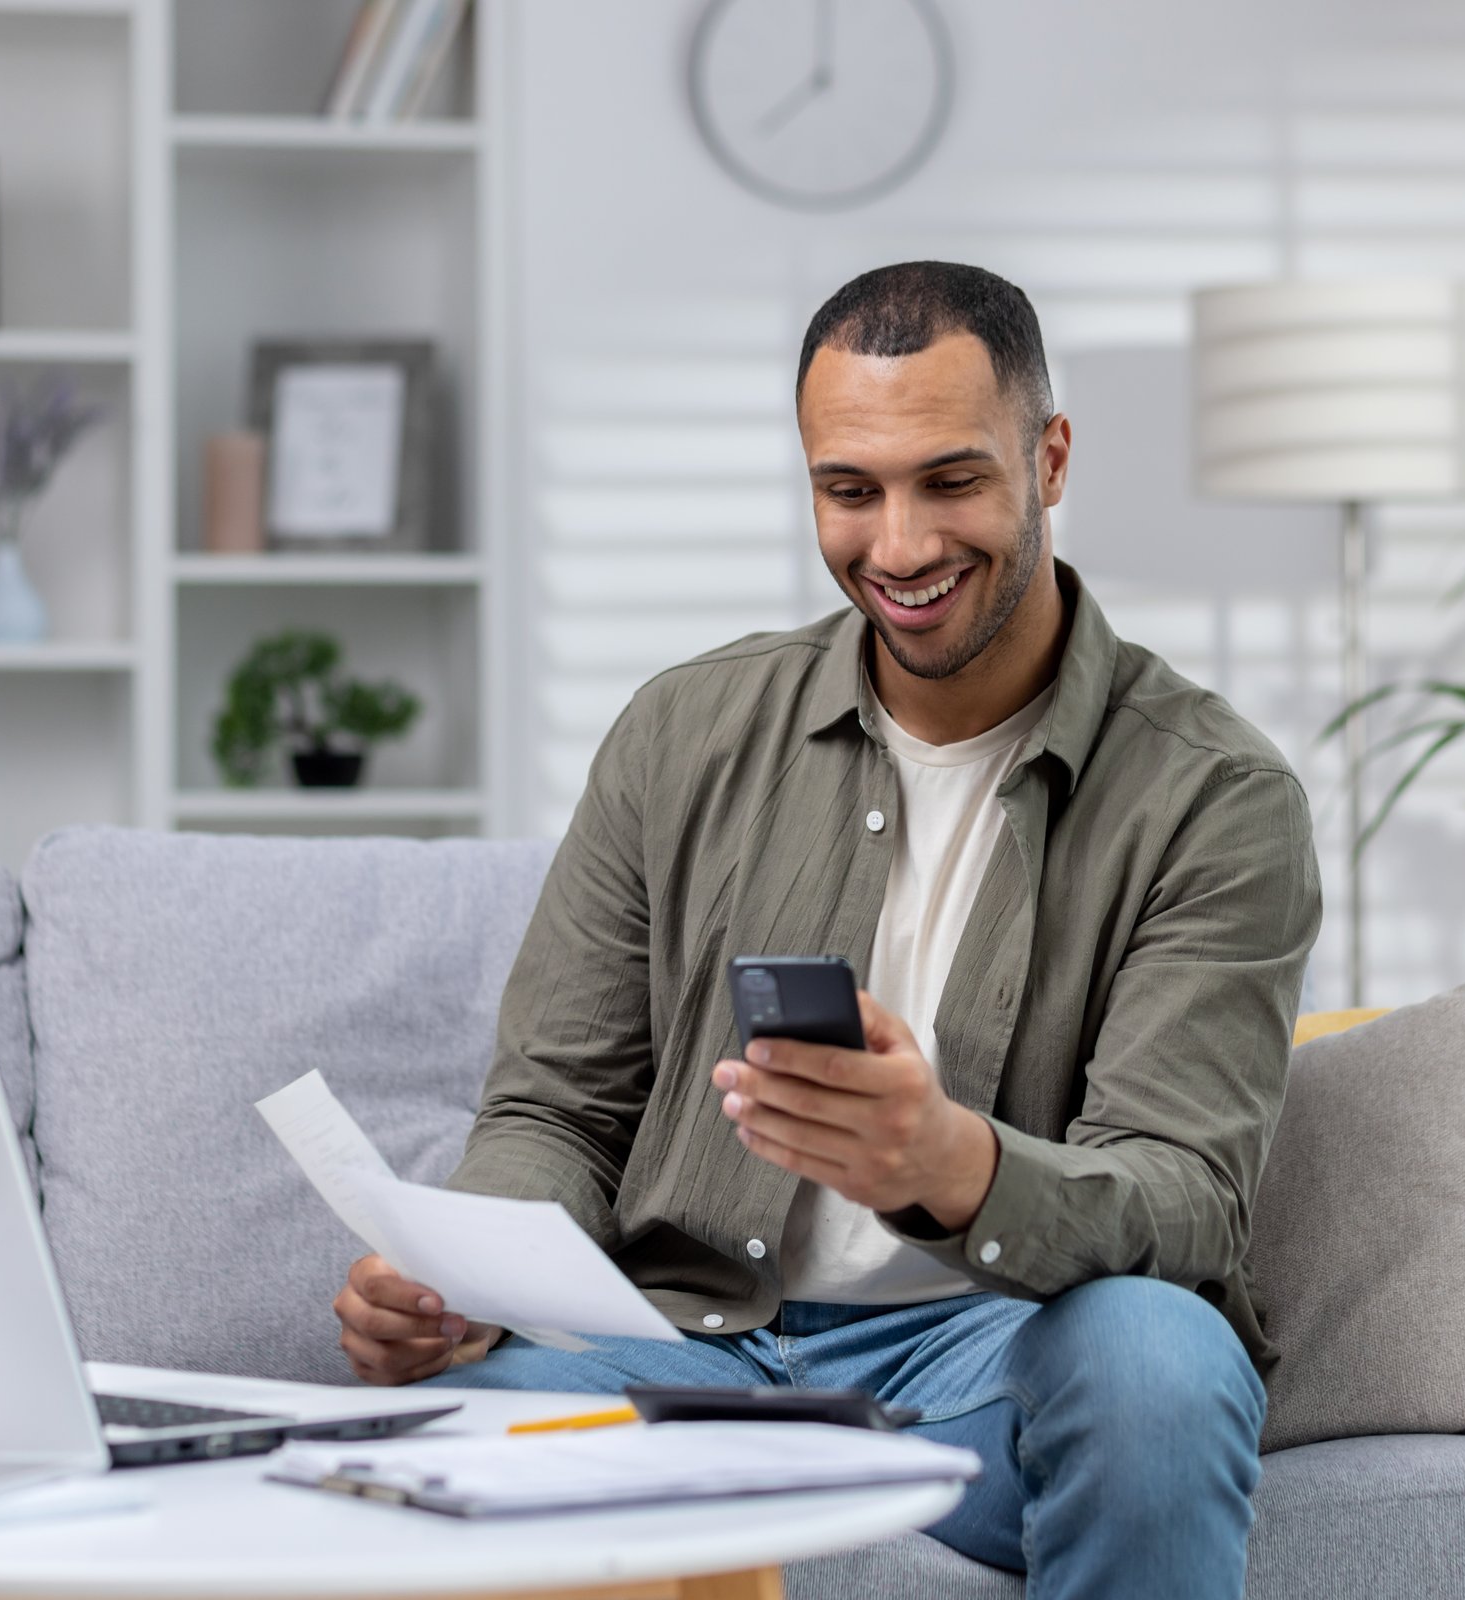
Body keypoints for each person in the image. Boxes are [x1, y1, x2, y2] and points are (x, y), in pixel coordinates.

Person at [332, 261, 1320, 1599]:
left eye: (951, 481)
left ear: (1052, 458)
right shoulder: (682, 736)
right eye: (848, 491)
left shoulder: (1213, 797)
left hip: (994, 1352)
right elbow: (556, 1111)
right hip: (685, 1344)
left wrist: (951, 1164)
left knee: (1159, 1360)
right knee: (428, 1438)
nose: (899, 546)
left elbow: (1183, 1198)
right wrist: (462, 1279)